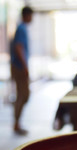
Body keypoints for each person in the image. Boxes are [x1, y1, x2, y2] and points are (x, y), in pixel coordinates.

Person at [10, 6, 33, 134]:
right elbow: (19, 48)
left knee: (22, 95)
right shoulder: (22, 28)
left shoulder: (21, 28)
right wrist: (25, 66)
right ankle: (16, 123)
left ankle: (17, 122)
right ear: (26, 15)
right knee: (23, 95)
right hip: (19, 67)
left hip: (18, 66)